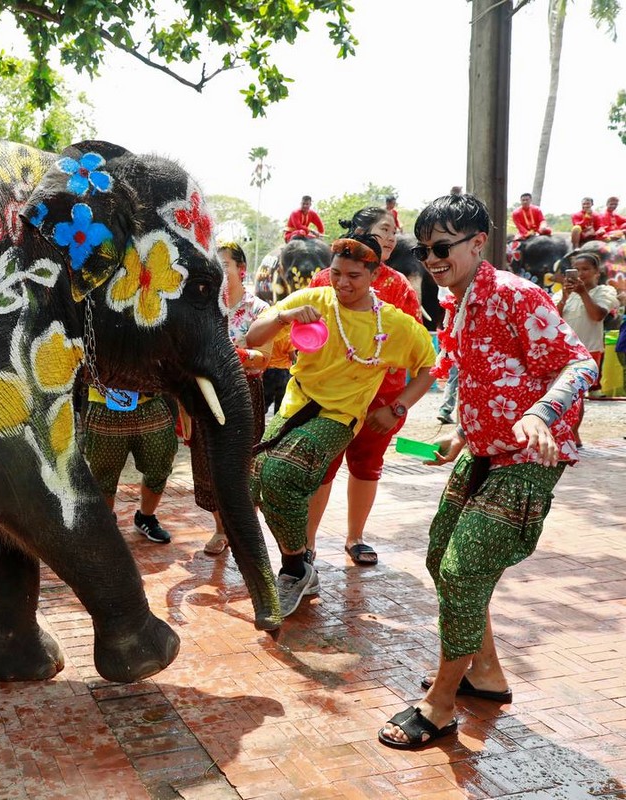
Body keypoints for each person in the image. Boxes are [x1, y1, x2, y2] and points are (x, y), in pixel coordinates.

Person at [378, 194, 596, 750]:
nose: (431, 258)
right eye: (424, 249)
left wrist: (541, 414)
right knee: (441, 556)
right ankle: (485, 674)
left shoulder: (516, 296)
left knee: (463, 566)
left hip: (527, 457)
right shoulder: (459, 301)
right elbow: (485, 379)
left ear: (478, 243)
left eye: (442, 247)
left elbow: (578, 362)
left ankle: (441, 705)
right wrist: (460, 435)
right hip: (482, 451)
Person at [246, 234, 436, 617]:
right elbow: (253, 336)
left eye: (353, 275)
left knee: (282, 476)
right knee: (255, 478)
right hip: (295, 405)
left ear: (374, 276)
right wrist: (283, 317)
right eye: (335, 273)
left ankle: (294, 570)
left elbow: (431, 367)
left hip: (340, 416)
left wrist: (397, 407)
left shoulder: (394, 324)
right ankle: (301, 565)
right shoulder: (314, 300)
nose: (342, 283)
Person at [305, 207, 425, 566]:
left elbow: (424, 357)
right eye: (385, 230)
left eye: (394, 232)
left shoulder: (400, 285)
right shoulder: (323, 281)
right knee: (322, 466)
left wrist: (398, 405)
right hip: (331, 398)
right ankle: (307, 544)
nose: (391, 238)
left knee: (367, 465)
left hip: (381, 401)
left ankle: (355, 537)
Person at [196, 239, 271, 556]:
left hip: (243, 392)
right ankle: (220, 528)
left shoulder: (259, 310)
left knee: (245, 461)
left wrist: (228, 354)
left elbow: (263, 358)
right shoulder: (203, 306)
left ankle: (245, 529)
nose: (218, 272)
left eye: (224, 265)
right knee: (207, 459)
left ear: (241, 270)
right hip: (205, 391)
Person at [82, 384, 178, 544]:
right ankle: (106, 521)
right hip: (104, 404)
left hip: (151, 404)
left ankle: (146, 518)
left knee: (159, 463)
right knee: (103, 472)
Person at [559, 251, 616, 438]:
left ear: (596, 272)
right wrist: (565, 297)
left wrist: (583, 292)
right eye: (576, 269)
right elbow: (552, 318)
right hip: (564, 349)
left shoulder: (604, 291)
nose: (580, 273)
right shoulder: (565, 293)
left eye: (585, 269)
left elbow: (597, 315)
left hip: (588, 350)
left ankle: (572, 435)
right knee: (565, 393)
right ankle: (571, 435)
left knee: (577, 393)